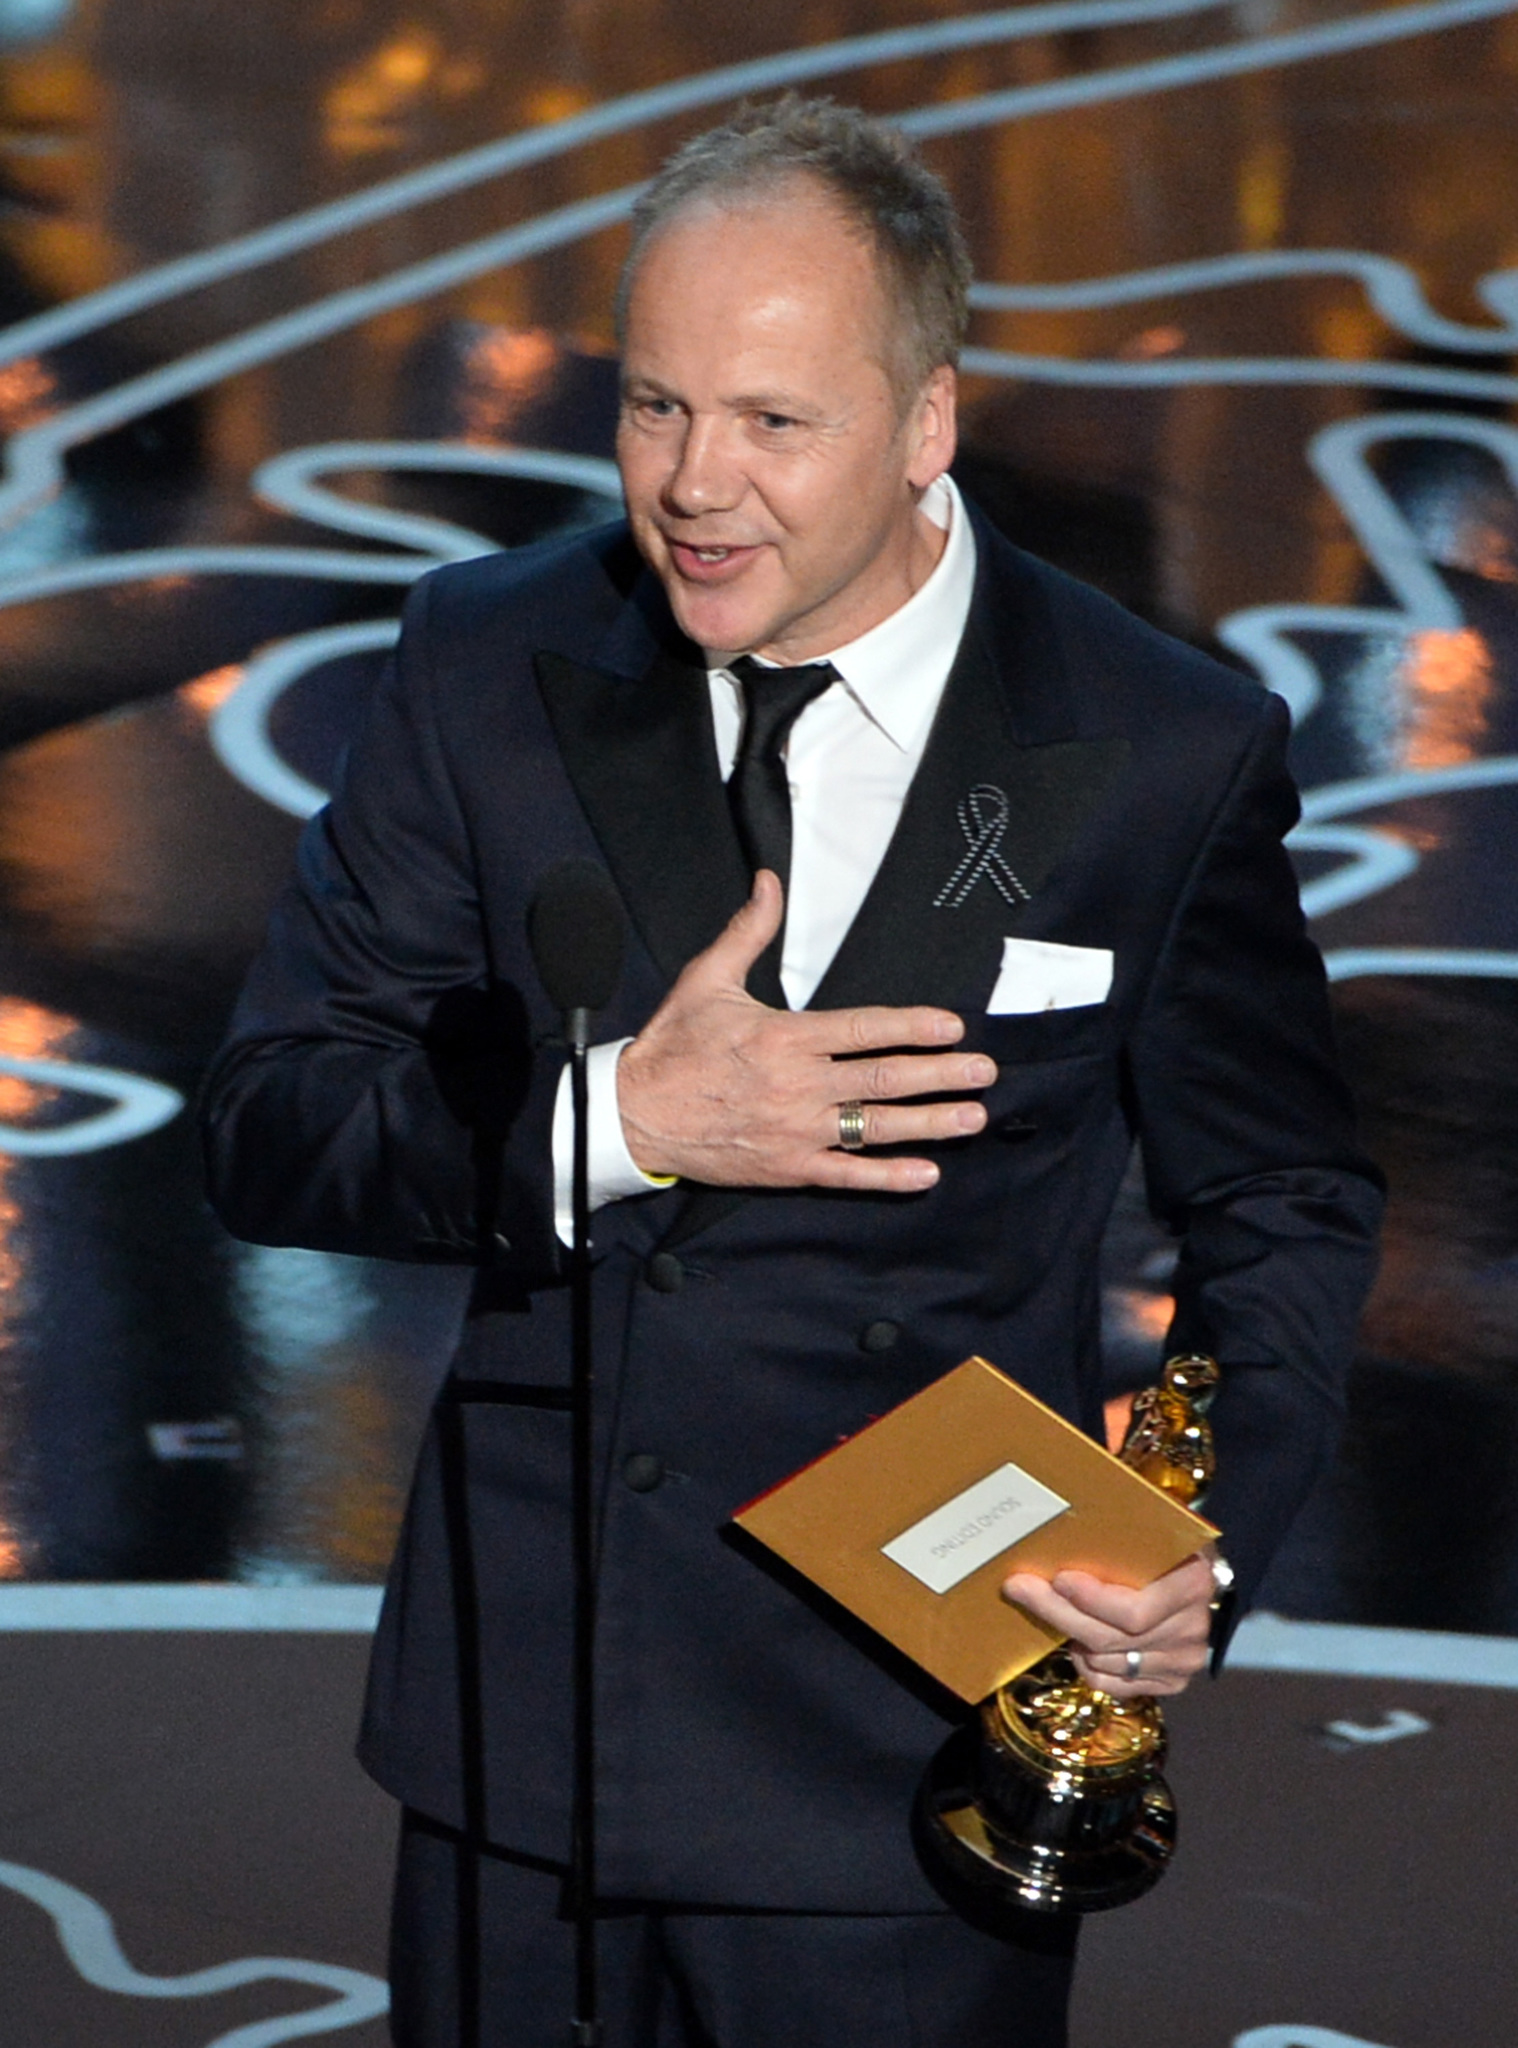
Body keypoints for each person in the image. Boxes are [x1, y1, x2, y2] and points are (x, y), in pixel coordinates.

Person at [202, 96, 1382, 2048]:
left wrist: (1184, 1556)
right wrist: (617, 1126)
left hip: (904, 1766)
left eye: (772, 421)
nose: (693, 484)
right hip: (531, 1755)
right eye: (655, 407)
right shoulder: (486, 660)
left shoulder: (1164, 744)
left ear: (927, 422)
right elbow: (268, 1127)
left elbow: (1285, 1202)